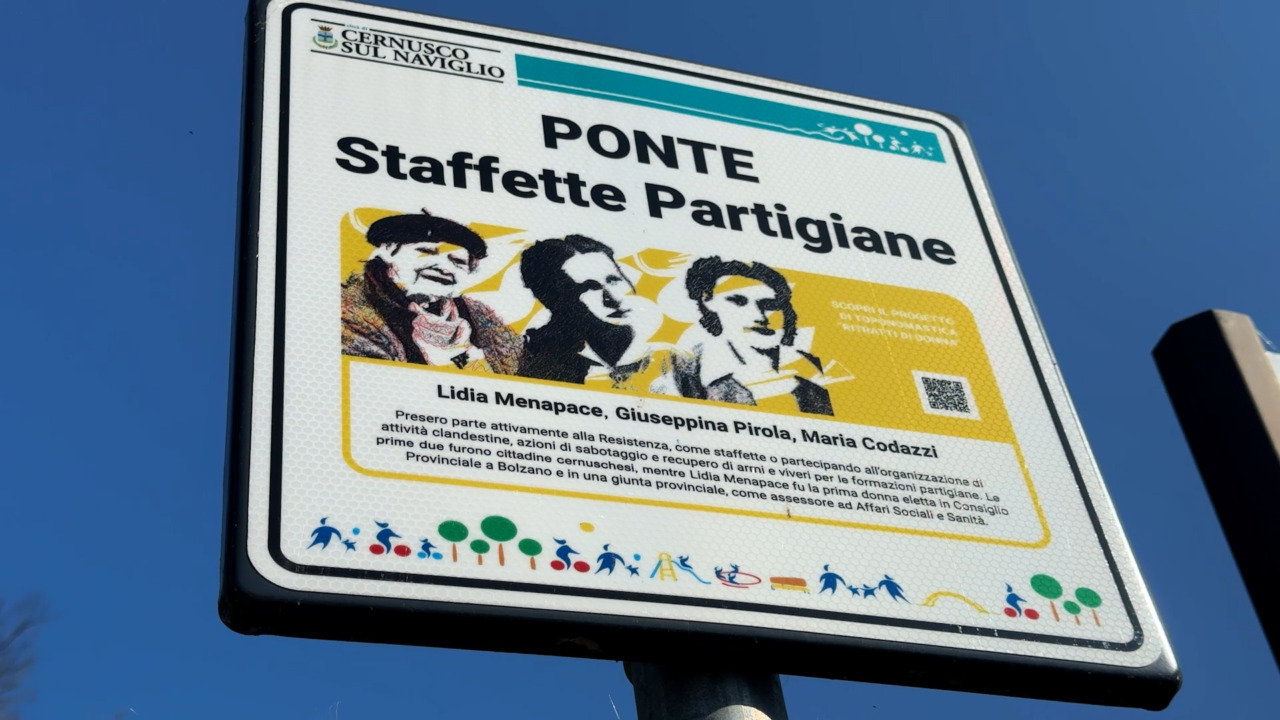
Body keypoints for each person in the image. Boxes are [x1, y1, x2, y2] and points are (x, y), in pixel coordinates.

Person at [340, 210, 520, 373]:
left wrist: (463, 354)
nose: (444, 267)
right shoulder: (347, 311)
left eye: (458, 262)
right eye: (426, 252)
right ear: (389, 251)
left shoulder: (479, 314)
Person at [651, 256, 834, 415]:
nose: (760, 317)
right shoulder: (689, 366)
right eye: (739, 301)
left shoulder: (816, 372)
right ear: (707, 302)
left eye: (769, 305)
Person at [517, 235, 655, 387]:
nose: (614, 299)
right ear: (558, 299)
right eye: (591, 287)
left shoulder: (663, 351)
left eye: (613, 280)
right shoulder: (546, 366)